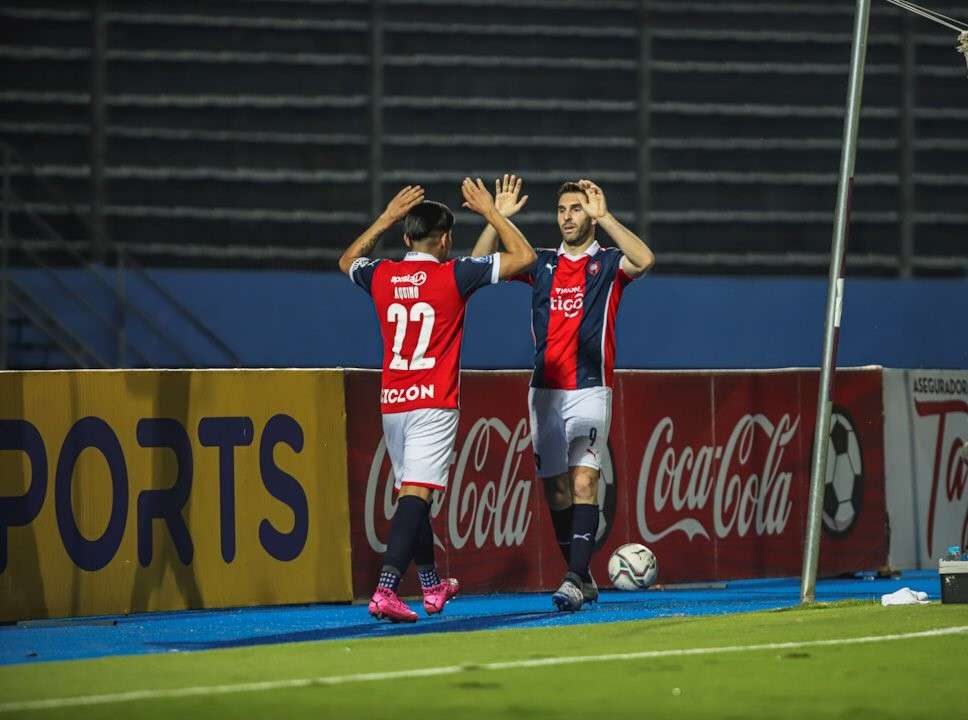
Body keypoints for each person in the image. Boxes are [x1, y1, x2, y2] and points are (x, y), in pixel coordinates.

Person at [339, 179, 536, 622]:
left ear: (405, 238)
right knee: (417, 492)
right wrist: (493, 213)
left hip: (393, 402)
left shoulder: (383, 275)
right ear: (446, 239)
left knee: (416, 493)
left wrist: (386, 217)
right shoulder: (453, 275)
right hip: (433, 403)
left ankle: (431, 586)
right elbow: (523, 258)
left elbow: (347, 259)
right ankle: (385, 589)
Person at [472, 175, 655, 611]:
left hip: (590, 389)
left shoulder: (608, 264)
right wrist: (496, 217)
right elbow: (475, 264)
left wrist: (605, 216)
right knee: (556, 491)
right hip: (544, 393)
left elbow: (644, 258)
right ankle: (583, 574)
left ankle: (573, 577)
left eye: (575, 209)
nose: (568, 217)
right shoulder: (540, 263)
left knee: (584, 479)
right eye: (562, 210)